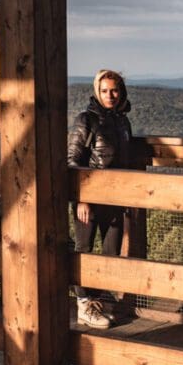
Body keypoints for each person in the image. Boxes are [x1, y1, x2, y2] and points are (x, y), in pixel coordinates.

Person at [68, 68, 132, 329]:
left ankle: (97, 301)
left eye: (114, 90)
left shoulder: (123, 122)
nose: (110, 95)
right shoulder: (86, 120)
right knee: (83, 249)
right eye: (104, 91)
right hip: (89, 198)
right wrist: (81, 198)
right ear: (97, 92)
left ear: (121, 92)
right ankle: (84, 305)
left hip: (114, 198)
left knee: (110, 252)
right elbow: (73, 160)